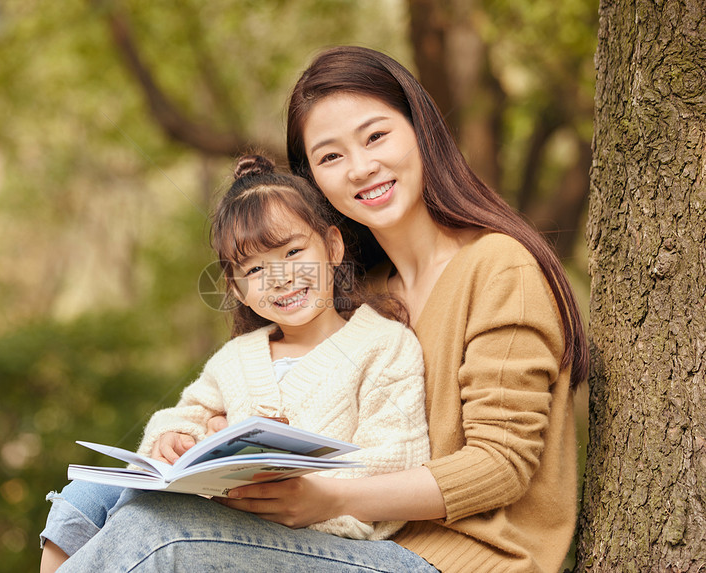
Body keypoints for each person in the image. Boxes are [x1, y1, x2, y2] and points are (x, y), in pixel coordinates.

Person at [54, 45, 588, 573]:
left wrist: (329, 498)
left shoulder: (499, 267)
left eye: (376, 136)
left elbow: (502, 466)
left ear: (422, 130)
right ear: (314, 182)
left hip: (455, 560)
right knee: (97, 489)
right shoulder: (360, 295)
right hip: (348, 542)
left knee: (157, 534)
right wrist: (208, 434)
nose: (361, 168)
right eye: (331, 156)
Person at [39, 154, 431, 571]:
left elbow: (393, 462)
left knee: (144, 521)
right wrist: (174, 440)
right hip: (232, 516)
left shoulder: (383, 345)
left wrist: (301, 491)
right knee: (87, 491)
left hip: (333, 541)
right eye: (256, 268)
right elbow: (186, 415)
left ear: (333, 247)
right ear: (238, 289)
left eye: (294, 251)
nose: (280, 277)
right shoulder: (237, 357)